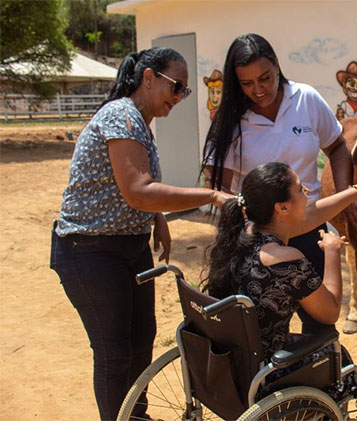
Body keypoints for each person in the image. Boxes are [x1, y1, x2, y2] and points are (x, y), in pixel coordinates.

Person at [49, 47, 234, 421]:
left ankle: (134, 415)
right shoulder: (121, 115)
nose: (179, 97)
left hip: (127, 248)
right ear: (148, 77)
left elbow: (133, 192)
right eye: (176, 86)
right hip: (91, 250)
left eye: (185, 91)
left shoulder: (138, 121)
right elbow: (138, 189)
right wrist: (213, 195)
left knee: (140, 343)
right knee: (114, 353)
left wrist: (157, 218)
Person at [202, 33, 357, 335]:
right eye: (247, 83)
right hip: (258, 245)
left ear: (277, 66)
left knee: (320, 330)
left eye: (265, 78)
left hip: (310, 232)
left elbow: (338, 146)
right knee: (256, 332)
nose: (259, 90)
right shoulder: (231, 120)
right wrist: (246, 225)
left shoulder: (305, 99)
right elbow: (218, 187)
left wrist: (346, 193)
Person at [202, 152, 357, 367]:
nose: (306, 191)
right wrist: (332, 251)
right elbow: (330, 312)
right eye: (299, 189)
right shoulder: (286, 260)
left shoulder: (244, 232)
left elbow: (314, 215)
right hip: (267, 368)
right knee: (339, 357)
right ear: (282, 208)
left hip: (231, 361)